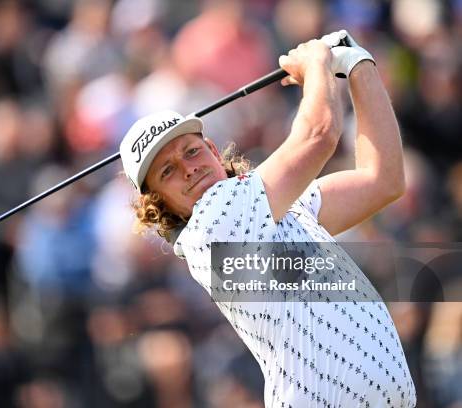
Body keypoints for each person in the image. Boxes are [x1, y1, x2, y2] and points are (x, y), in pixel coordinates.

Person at [119, 30, 416, 407]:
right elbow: (319, 135)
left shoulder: (279, 206)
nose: (189, 169)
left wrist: (358, 65)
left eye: (192, 151)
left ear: (212, 149)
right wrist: (318, 65)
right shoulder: (211, 226)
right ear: (158, 205)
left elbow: (383, 180)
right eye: (168, 172)